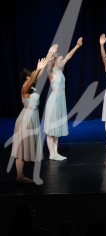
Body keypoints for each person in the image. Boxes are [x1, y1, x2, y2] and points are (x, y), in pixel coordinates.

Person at [10, 44, 57, 184]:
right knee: (21, 149)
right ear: (27, 77)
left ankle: (20, 176)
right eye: (32, 75)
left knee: (24, 148)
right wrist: (38, 69)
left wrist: (49, 54)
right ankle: (20, 176)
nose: (35, 77)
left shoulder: (32, 84)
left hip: (32, 118)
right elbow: (33, 79)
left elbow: (38, 75)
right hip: (26, 119)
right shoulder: (25, 88)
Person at [43, 37, 83, 161]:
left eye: (61, 59)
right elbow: (46, 63)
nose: (62, 61)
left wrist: (77, 46)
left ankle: (55, 152)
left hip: (61, 101)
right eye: (60, 59)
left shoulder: (59, 70)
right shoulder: (51, 72)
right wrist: (50, 52)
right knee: (52, 129)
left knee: (57, 129)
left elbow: (68, 56)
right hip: (54, 102)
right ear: (55, 61)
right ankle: (52, 154)